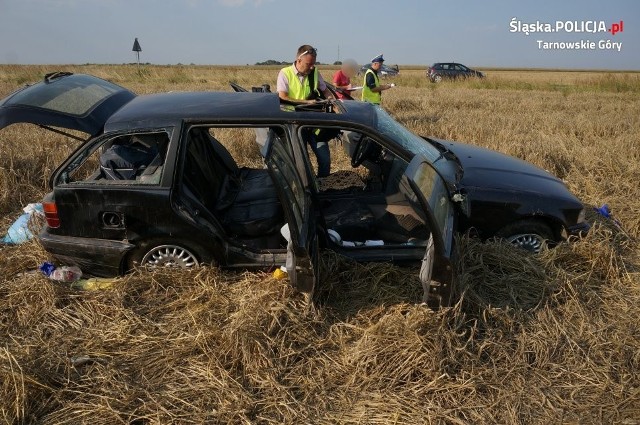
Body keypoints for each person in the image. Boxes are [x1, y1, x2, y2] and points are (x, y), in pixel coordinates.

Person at [277, 45, 335, 177]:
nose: (311, 67)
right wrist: (307, 102)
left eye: (313, 64)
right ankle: (309, 188)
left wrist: (332, 101)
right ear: (299, 60)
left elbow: (325, 90)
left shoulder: (314, 72)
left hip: (313, 122)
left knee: (324, 158)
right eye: (309, 64)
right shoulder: (285, 73)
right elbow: (283, 96)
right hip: (294, 124)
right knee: (302, 161)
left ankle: (324, 185)